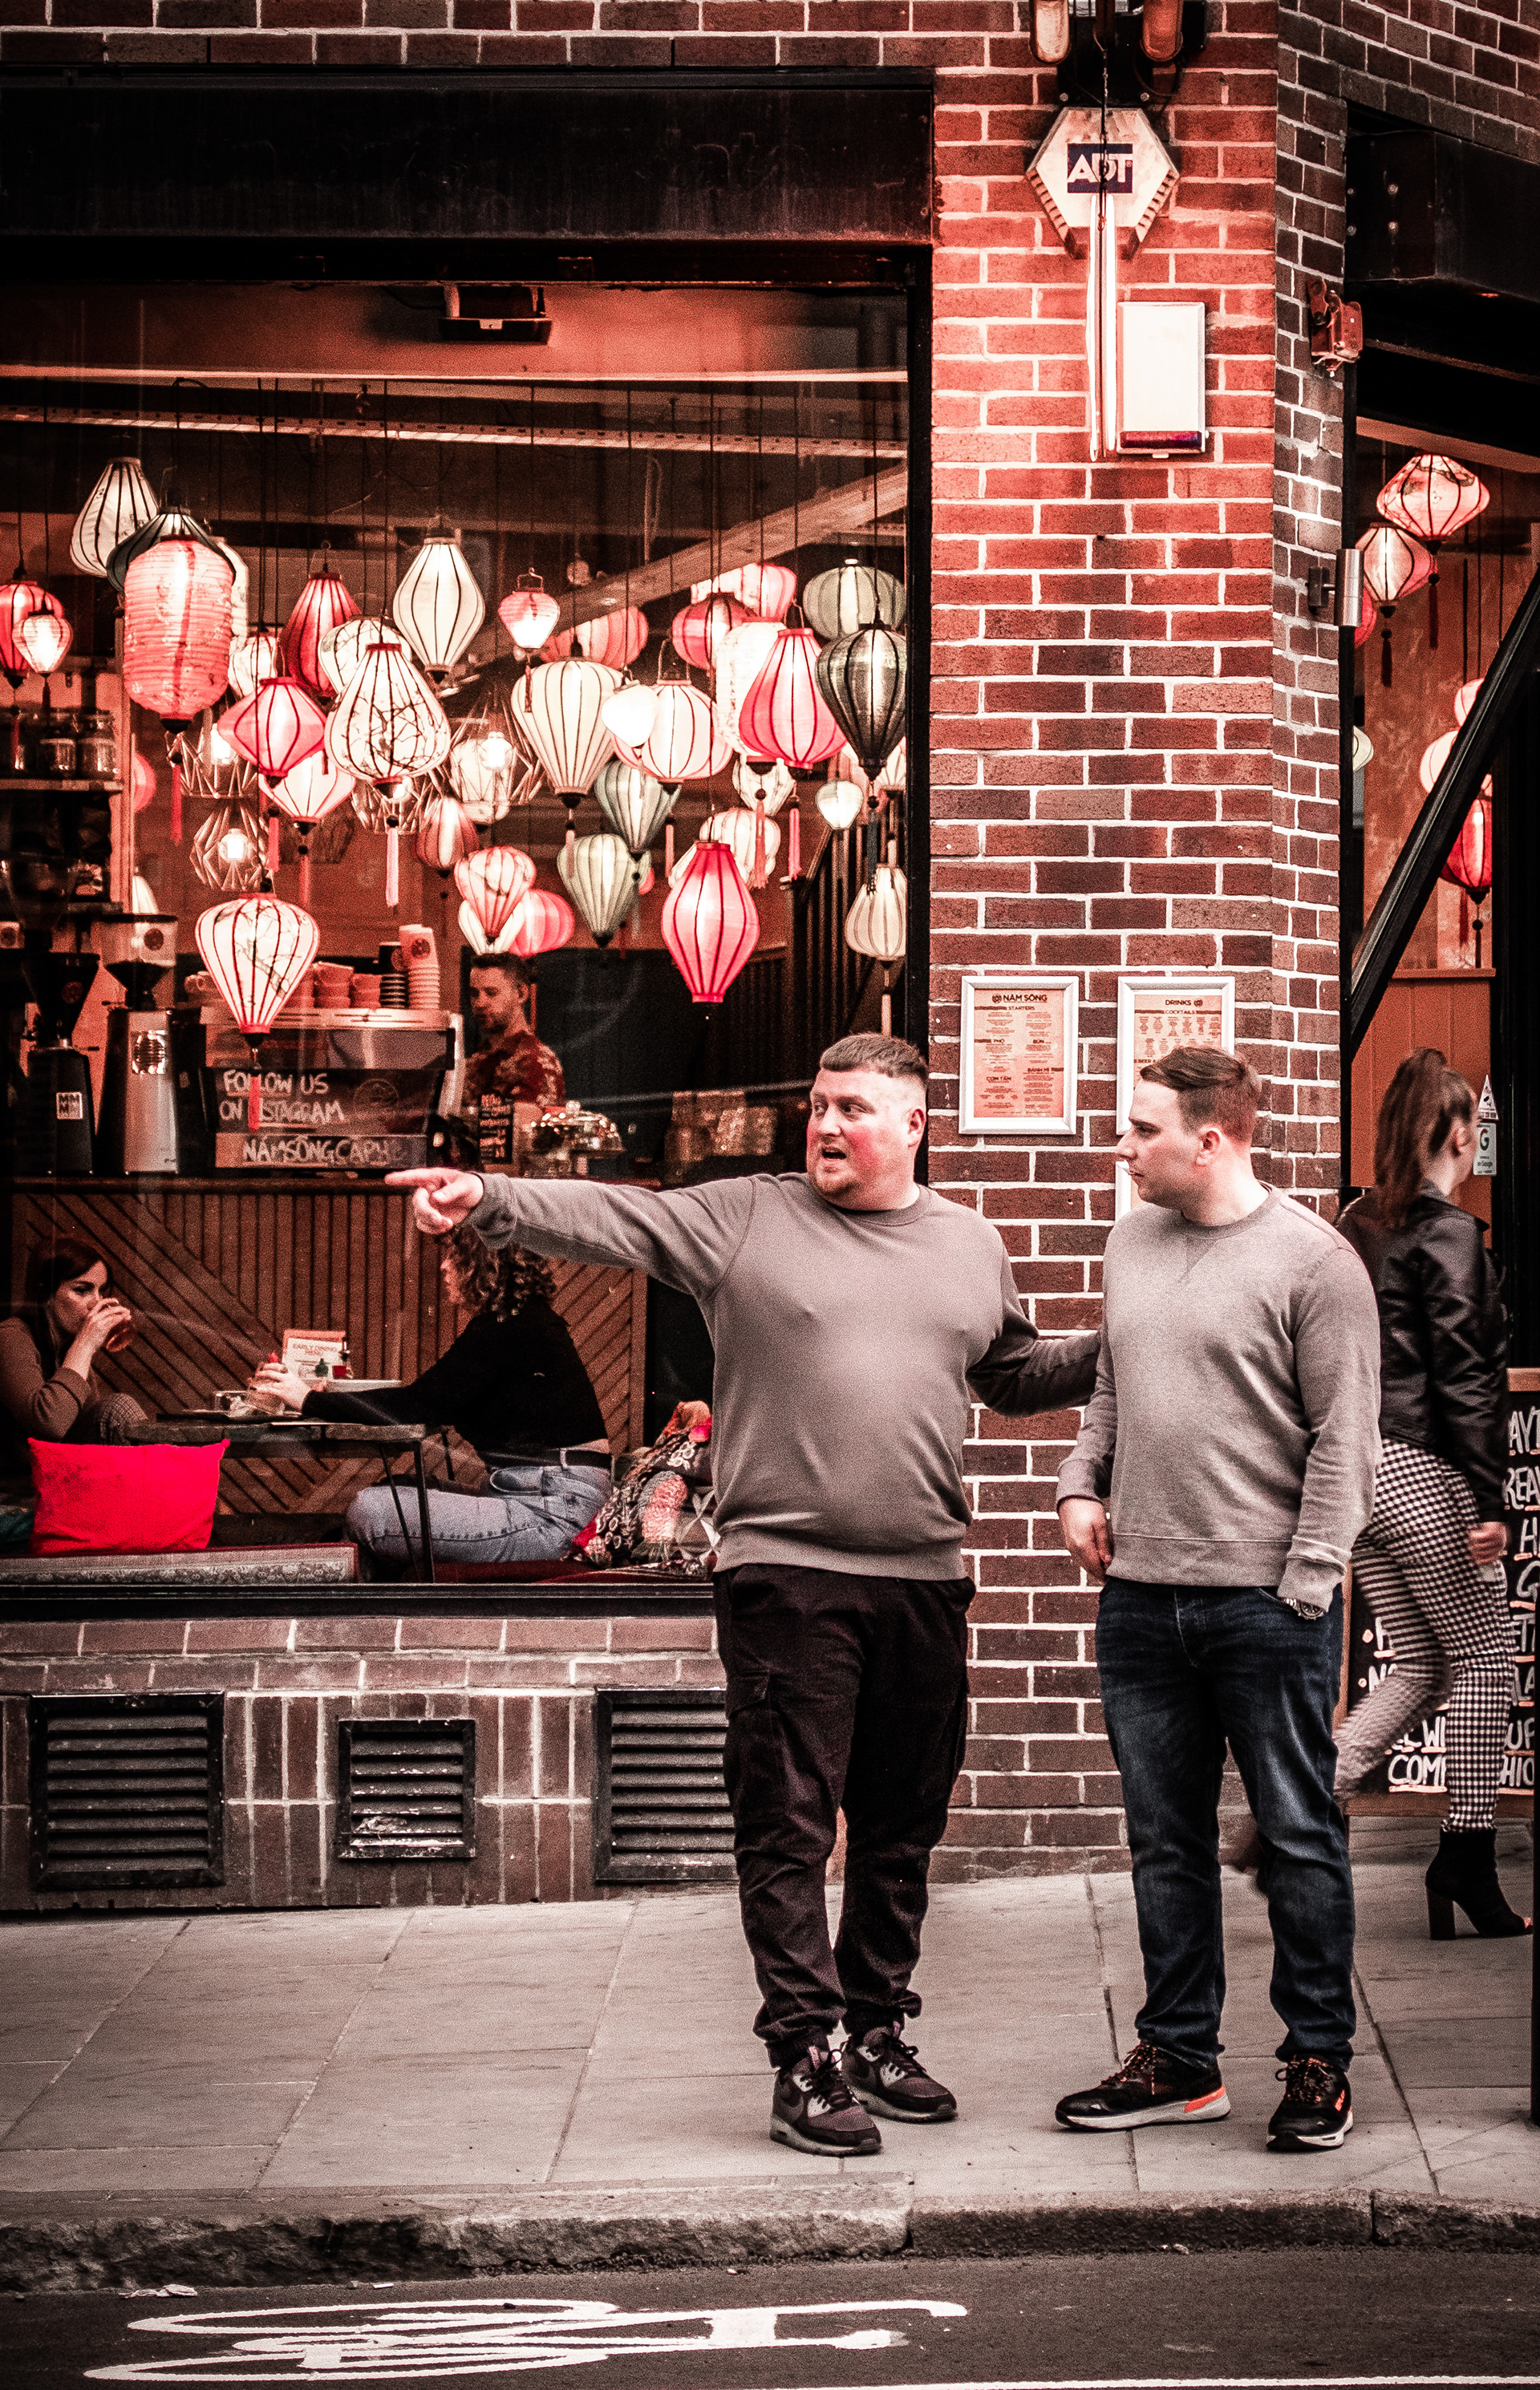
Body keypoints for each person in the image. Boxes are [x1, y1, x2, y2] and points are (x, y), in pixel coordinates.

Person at [388, 1031, 1100, 2159]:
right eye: (819, 1104)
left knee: (901, 1826)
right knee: (788, 1825)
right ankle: (804, 2055)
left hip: (924, 1578)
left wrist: (1124, 1343)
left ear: (914, 1125)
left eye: (853, 1108)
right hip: (787, 1577)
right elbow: (620, 1219)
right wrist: (491, 1200)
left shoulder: (969, 1243)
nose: (827, 1124)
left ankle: (877, 2030)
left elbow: (1011, 1374)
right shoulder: (747, 1218)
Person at [1054, 1046, 1380, 2154]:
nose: (1123, 1146)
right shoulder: (1130, 1241)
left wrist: (1307, 1583)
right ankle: (1181, 2059)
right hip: (1141, 1603)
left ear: (1210, 1139)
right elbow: (1111, 1386)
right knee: (1165, 1842)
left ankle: (1318, 2061)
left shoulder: (1316, 1263)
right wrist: (1079, 1484)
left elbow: (1347, 1439)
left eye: (1141, 1129)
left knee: (1298, 1834)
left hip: (1266, 1607)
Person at [1334, 1050, 1527, 1938]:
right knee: (1486, 1660)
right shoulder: (1449, 1236)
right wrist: (1489, 1501)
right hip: (1421, 1471)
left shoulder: (1353, 1224)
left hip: (1356, 1475)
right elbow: (1467, 1378)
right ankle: (1467, 1854)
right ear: (1455, 1133)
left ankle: (1306, 1801)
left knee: (1417, 1663)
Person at [248, 1229, 610, 1571]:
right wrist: (317, 1396)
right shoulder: (519, 1322)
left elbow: (418, 1405)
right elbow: (428, 1398)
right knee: (396, 1491)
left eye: (454, 1255)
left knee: (373, 1512)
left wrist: (307, 1399)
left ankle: (314, 1583)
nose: (444, 1266)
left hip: (554, 1515)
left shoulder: (509, 1327)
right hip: (548, 1496)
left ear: (485, 1263)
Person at [0, 1241, 145, 1508]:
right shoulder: (11, 1337)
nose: (96, 1303)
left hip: (59, 1485)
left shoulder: (67, 1347)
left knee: (120, 1412)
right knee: (117, 1407)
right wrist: (86, 1345)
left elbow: (87, 1431)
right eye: (82, 1290)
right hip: (16, 1500)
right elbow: (50, 1425)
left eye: (101, 1291)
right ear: (46, 1293)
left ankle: (155, 1502)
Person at [463, 952, 565, 1111]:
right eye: (474, 994)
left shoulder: (535, 1060)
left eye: (491, 993)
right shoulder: (480, 1057)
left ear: (521, 994)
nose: (480, 1003)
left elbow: (523, 1124)